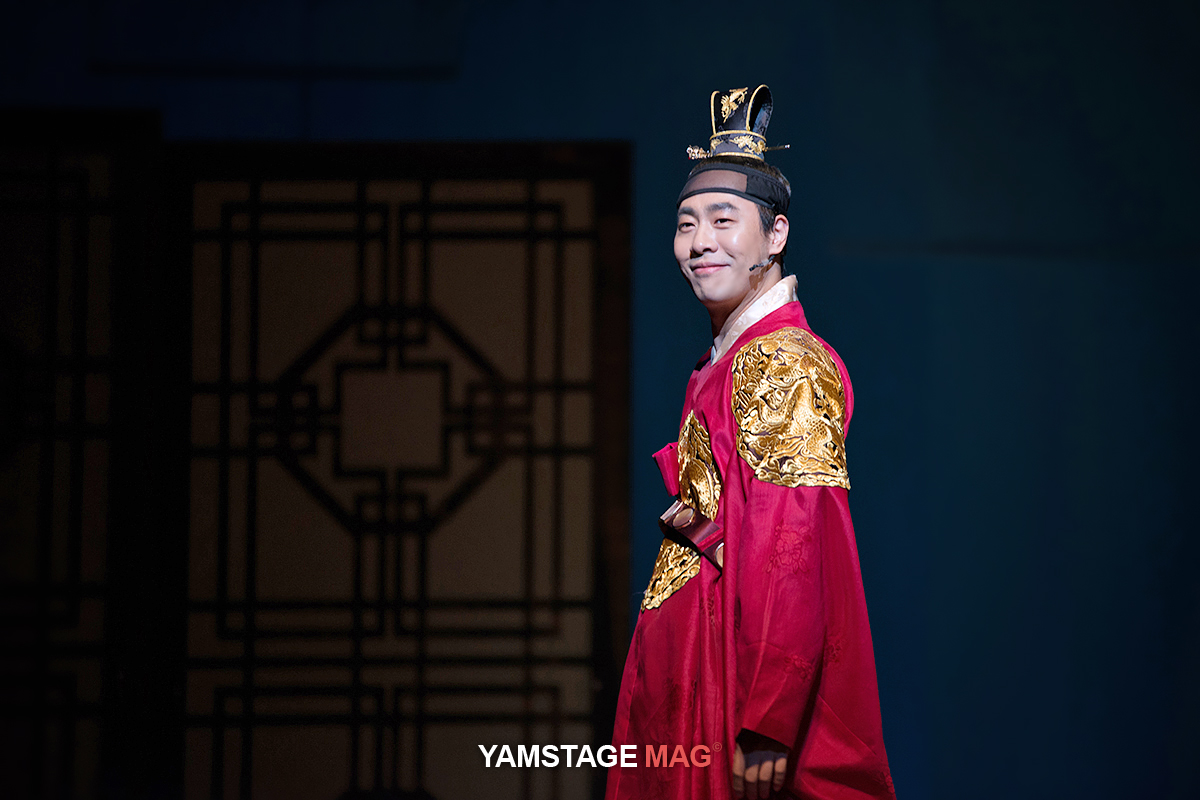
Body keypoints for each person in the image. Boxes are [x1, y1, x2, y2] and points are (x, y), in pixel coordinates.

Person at [606, 86, 896, 799]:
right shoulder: (727, 360)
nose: (700, 241)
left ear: (775, 235)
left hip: (736, 683)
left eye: (723, 220)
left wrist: (767, 719)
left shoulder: (781, 361)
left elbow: (794, 546)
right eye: (686, 223)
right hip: (697, 661)